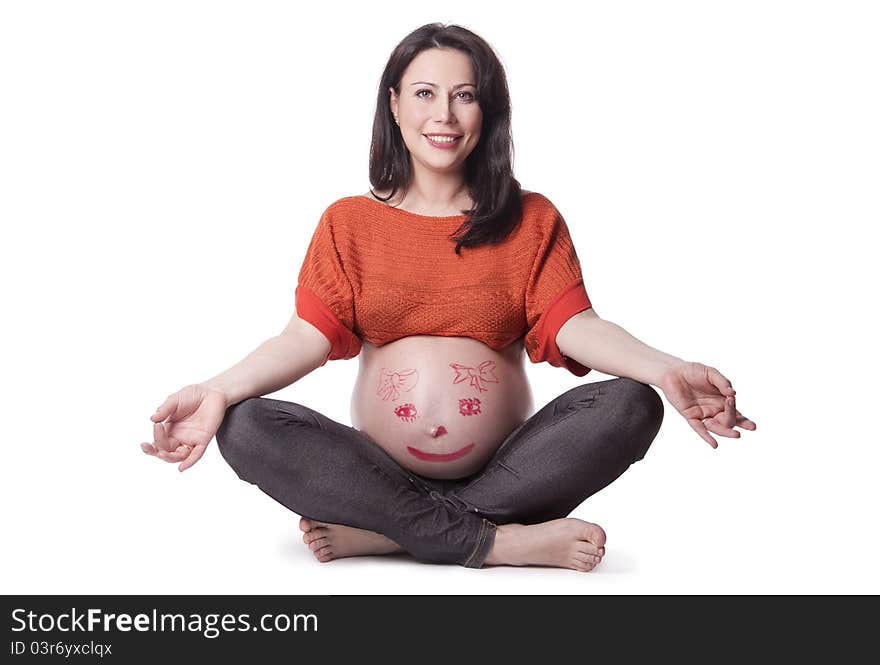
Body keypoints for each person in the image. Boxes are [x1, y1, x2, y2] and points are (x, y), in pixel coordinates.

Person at [141, 23, 756, 572]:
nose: (445, 115)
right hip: (374, 474)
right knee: (245, 424)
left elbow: (577, 324)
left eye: (464, 96)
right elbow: (304, 336)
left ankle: (397, 533)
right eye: (425, 93)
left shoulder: (530, 219)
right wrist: (219, 389)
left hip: (510, 472)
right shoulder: (348, 223)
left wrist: (668, 369)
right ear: (394, 104)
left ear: (488, 111)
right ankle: (493, 541)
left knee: (630, 405)